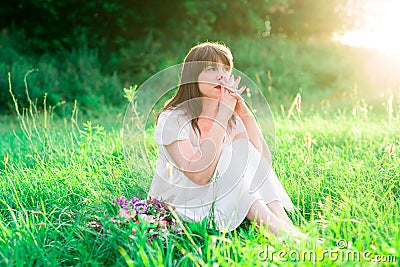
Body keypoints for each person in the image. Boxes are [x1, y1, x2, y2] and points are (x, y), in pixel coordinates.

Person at [148, 41, 306, 239]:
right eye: (212, 68)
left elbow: (261, 166)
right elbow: (198, 176)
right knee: (230, 153)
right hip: (179, 205)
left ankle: (285, 226)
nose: (222, 75)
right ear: (193, 76)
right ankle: (282, 233)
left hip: (216, 197)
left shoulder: (231, 117)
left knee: (240, 148)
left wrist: (245, 115)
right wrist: (221, 117)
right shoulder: (173, 118)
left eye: (226, 68)